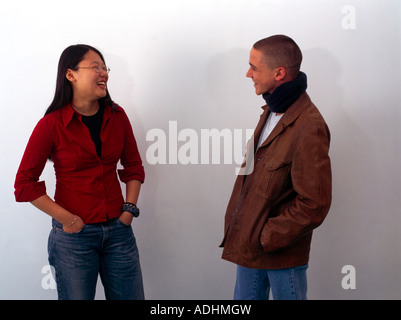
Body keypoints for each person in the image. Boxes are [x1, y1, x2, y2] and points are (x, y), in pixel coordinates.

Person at [14, 44, 145, 300]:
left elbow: (134, 166)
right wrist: (68, 220)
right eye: (95, 67)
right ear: (70, 74)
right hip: (74, 238)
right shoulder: (51, 125)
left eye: (105, 67)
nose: (104, 73)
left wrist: (129, 209)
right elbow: (24, 184)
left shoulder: (117, 117)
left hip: (119, 232)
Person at [220, 35, 332, 300]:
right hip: (250, 249)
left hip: (281, 257)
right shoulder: (272, 110)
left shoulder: (309, 126)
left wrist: (265, 235)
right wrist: (250, 233)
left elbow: (314, 204)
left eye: (254, 67)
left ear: (279, 73)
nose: (248, 74)